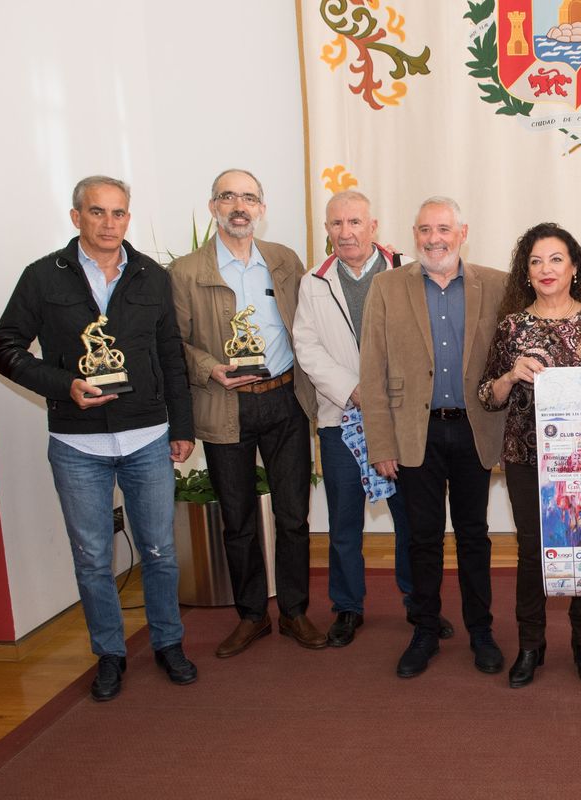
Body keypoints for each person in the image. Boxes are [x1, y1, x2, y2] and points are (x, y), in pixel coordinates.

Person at [0, 175, 197, 701]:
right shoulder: (42, 277)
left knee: (159, 551)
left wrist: (184, 426)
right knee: (92, 557)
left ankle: (169, 643)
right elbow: (4, 347)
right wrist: (65, 386)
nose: (110, 223)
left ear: (129, 217)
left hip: (147, 436)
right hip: (77, 445)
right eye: (98, 212)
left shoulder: (151, 275)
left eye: (119, 213)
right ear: (76, 216)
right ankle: (109, 654)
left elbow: (170, 353)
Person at [169, 169, 325, 657]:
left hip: (285, 401)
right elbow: (173, 343)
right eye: (229, 197)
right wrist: (211, 368)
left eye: (250, 198)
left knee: (293, 515)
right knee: (237, 519)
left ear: (261, 208)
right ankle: (252, 615)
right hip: (224, 405)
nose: (240, 206)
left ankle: (295, 611)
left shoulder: (283, 260)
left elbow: (307, 325)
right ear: (213, 206)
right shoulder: (185, 273)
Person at [292, 190, 453, 646]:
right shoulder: (313, 282)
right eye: (336, 224)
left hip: (404, 418)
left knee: (413, 518)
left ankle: (417, 602)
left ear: (374, 225)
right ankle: (347, 607)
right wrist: (354, 390)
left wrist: (387, 393)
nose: (346, 232)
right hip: (339, 414)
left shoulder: (411, 269)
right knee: (344, 520)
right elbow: (306, 347)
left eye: (355, 222)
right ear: (327, 230)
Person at [361, 196, 508, 678]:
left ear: (462, 232)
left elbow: (511, 363)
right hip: (412, 435)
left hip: (475, 430)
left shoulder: (497, 284)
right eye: (424, 230)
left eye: (443, 228)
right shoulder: (386, 287)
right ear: (414, 234)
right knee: (421, 538)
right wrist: (379, 444)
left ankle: (480, 630)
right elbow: (374, 370)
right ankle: (424, 629)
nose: (434, 239)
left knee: (474, 536)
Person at [477, 222, 581, 688]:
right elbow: (487, 395)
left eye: (556, 259)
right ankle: (530, 645)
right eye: (537, 261)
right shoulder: (511, 326)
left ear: (574, 267)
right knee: (531, 552)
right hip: (527, 456)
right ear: (526, 272)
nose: (546, 269)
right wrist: (509, 376)